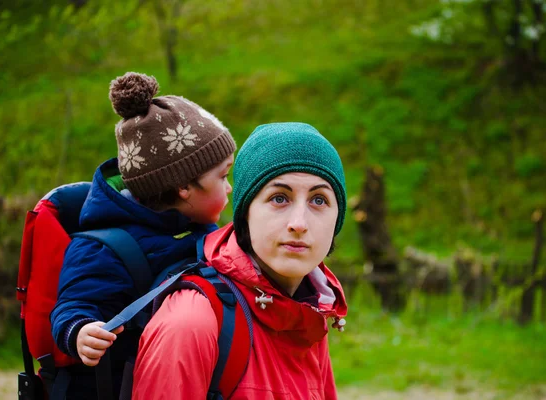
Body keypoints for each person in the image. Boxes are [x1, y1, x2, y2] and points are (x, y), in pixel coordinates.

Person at [50, 71, 236, 399]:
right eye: (223, 176)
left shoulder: (198, 228)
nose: (229, 187)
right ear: (183, 187)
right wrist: (81, 331)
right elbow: (73, 303)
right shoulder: (102, 249)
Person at [132, 122, 349, 400]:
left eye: (319, 200)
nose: (299, 223)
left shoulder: (310, 313)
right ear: (245, 213)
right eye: (279, 198)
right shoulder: (191, 322)